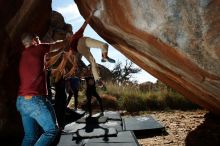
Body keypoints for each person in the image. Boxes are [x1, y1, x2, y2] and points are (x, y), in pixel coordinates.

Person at [16, 32, 71, 146]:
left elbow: (50, 54)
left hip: (21, 101)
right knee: (51, 130)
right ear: (34, 41)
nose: (40, 40)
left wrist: (61, 51)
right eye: (38, 39)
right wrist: (69, 40)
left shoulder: (24, 54)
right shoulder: (38, 48)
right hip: (34, 100)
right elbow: (57, 45)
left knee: (30, 136)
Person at [65, 12, 116, 83]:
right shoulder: (72, 41)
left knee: (101, 50)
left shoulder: (74, 39)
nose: (69, 38)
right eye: (68, 37)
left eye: (69, 36)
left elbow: (84, 25)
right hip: (81, 46)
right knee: (96, 56)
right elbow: (71, 55)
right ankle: (99, 75)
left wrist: (90, 15)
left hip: (82, 45)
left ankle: (103, 61)